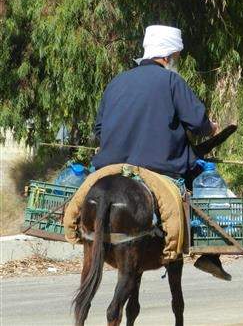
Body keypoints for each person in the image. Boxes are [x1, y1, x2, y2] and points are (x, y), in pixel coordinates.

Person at [91, 24, 231, 281]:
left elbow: (99, 130)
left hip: (109, 167)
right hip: (160, 167)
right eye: (176, 57)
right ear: (167, 57)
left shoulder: (116, 83)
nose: (175, 62)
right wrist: (211, 128)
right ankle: (209, 254)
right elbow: (198, 124)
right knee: (207, 180)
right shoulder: (171, 81)